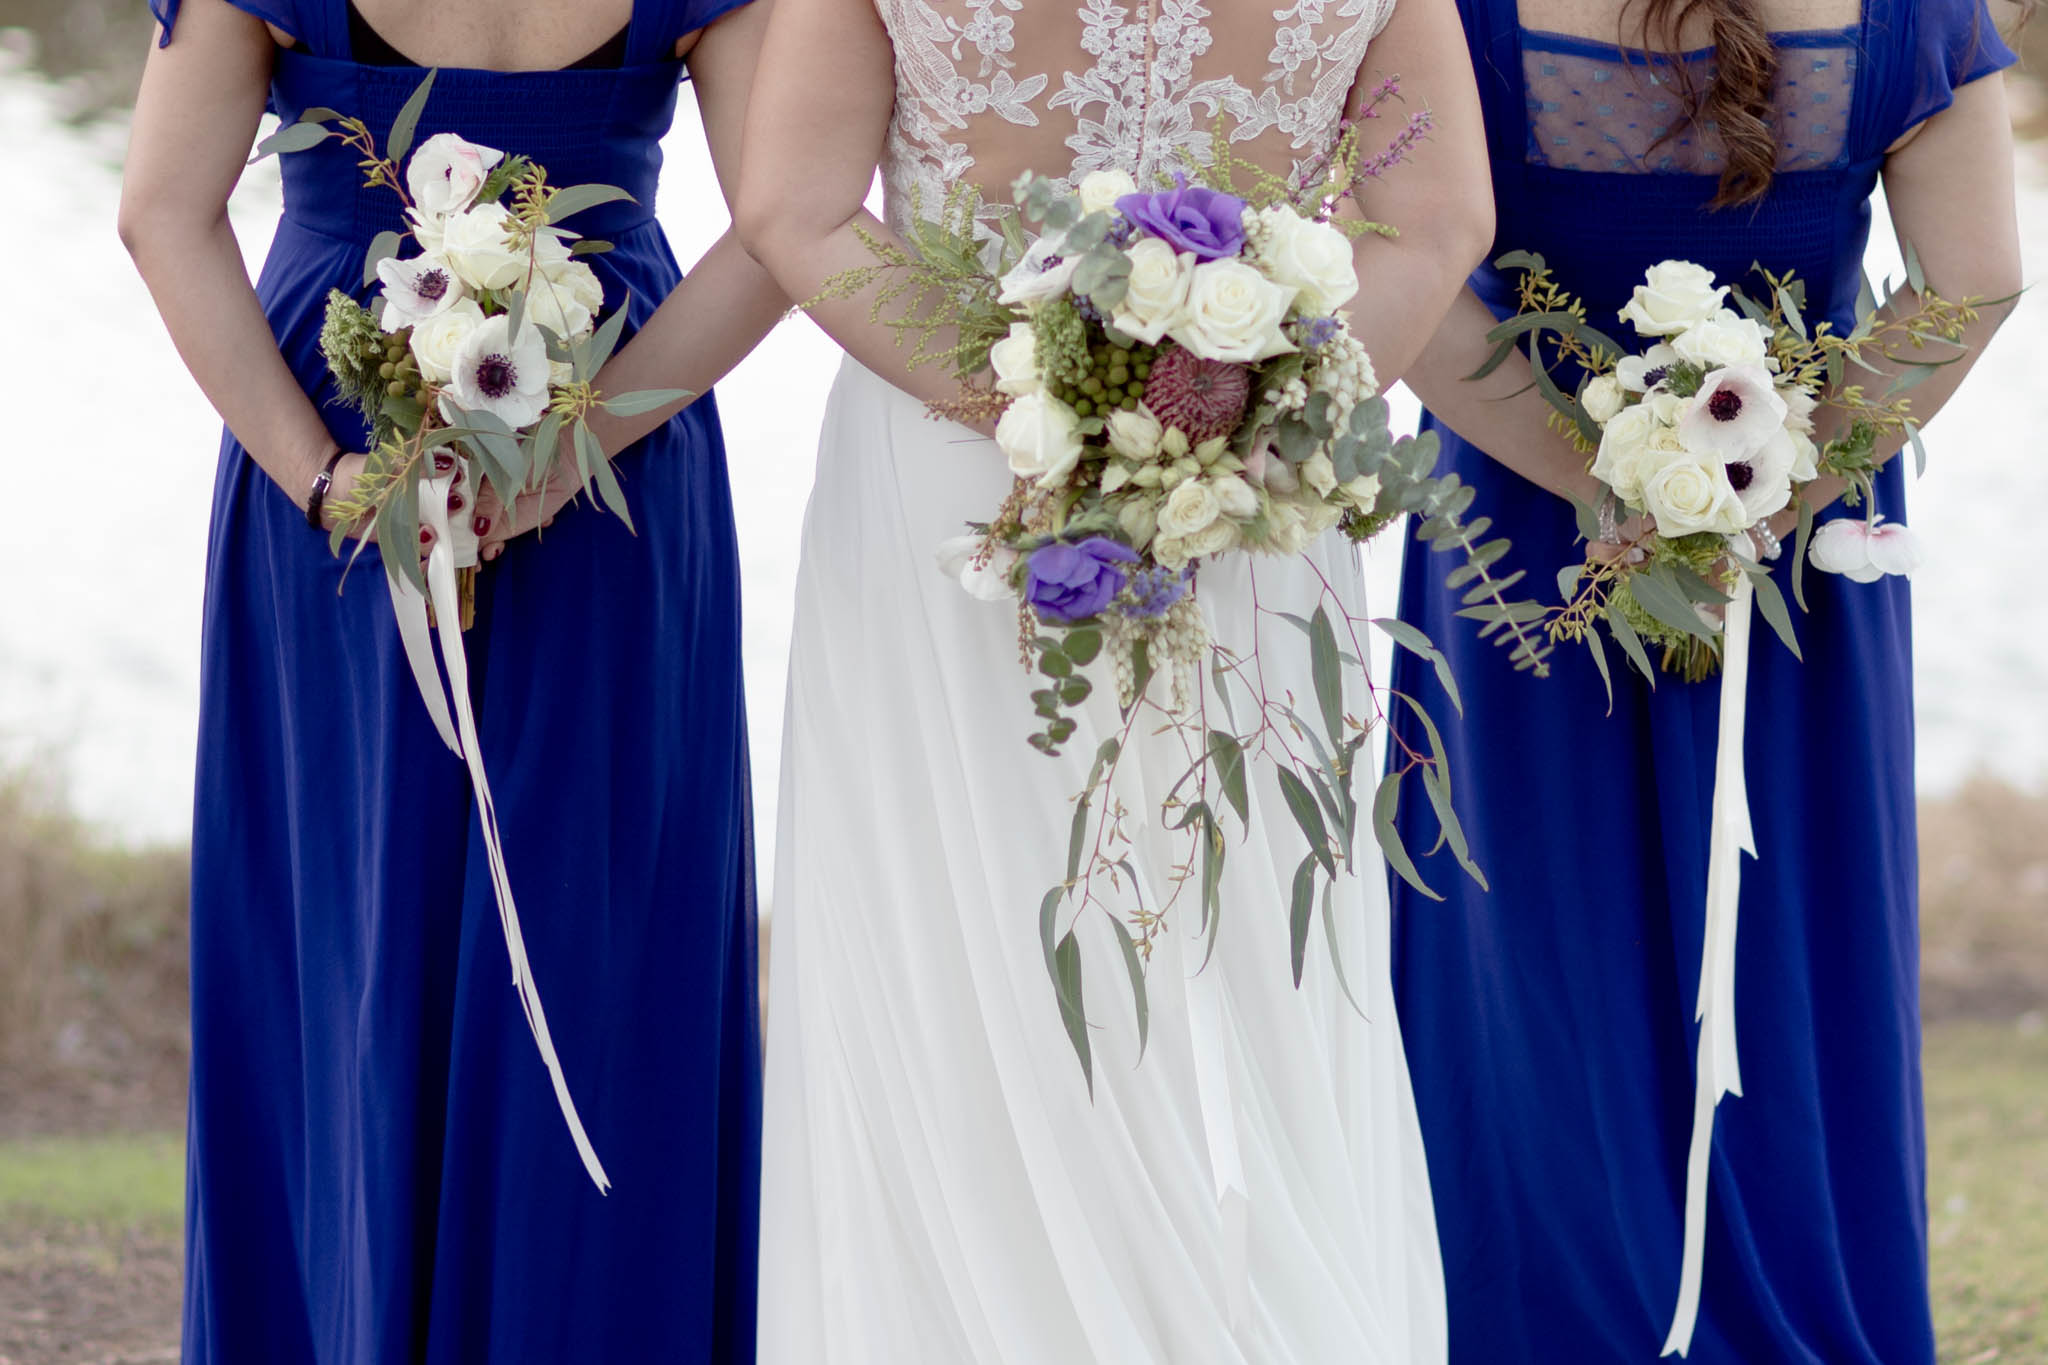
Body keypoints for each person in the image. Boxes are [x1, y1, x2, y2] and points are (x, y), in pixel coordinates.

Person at [735, 1, 1494, 1358]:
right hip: (1243, 488)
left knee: (981, 955)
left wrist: (1058, 415)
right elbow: (1434, 223)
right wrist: (1245, 428)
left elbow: (798, 209)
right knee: (1234, 945)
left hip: (971, 467)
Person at [119, 0, 783, 1357]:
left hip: (334, 442)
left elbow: (162, 213)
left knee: (350, 930)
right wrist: (573, 449)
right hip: (614, 437)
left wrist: (324, 478)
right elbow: (782, 225)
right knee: (598, 930)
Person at [1386, 1, 2026, 1360]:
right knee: (1795, 928)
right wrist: (1762, 487)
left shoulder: (1449, 11)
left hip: (1525, 541)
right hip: (1797, 533)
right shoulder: (1913, 13)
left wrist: (1614, 494)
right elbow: (1973, 280)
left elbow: (1413, 281)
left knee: (1533, 942)